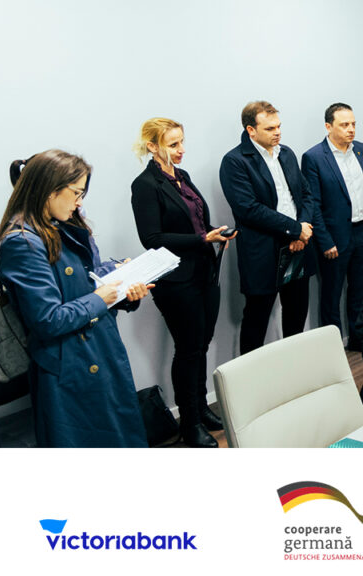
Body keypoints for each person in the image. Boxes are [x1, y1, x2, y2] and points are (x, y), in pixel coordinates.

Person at [0, 150, 151, 447]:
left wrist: (121, 281)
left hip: (101, 350)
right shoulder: (21, 242)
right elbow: (47, 319)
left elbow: (84, 277)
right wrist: (100, 298)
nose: (80, 201)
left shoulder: (65, 223)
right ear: (49, 190)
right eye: (76, 193)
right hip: (69, 366)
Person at [131, 118, 236, 448]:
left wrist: (215, 233)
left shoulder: (183, 177)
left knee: (201, 345)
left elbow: (196, 222)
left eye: (181, 142)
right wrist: (203, 239)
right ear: (152, 146)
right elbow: (152, 238)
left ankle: (201, 409)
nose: (181, 149)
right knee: (188, 350)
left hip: (204, 271)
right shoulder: (145, 185)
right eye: (173, 144)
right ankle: (190, 424)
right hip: (176, 280)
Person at [220, 101, 316, 355]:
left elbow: (306, 194)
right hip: (263, 251)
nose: (278, 133)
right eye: (270, 128)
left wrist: (302, 230)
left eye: (279, 126)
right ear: (251, 130)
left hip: (298, 245)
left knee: (296, 316)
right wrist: (295, 229)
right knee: (256, 320)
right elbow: (249, 209)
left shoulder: (286, 153)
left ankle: (293, 371)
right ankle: (250, 378)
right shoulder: (235, 161)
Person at [301, 103, 363, 349]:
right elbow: (313, 204)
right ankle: (332, 348)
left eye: (353, 124)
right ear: (328, 126)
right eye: (344, 125)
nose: (351, 129)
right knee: (331, 294)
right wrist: (325, 241)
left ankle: (358, 340)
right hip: (334, 237)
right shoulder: (314, 157)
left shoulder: (361, 150)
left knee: (360, 290)